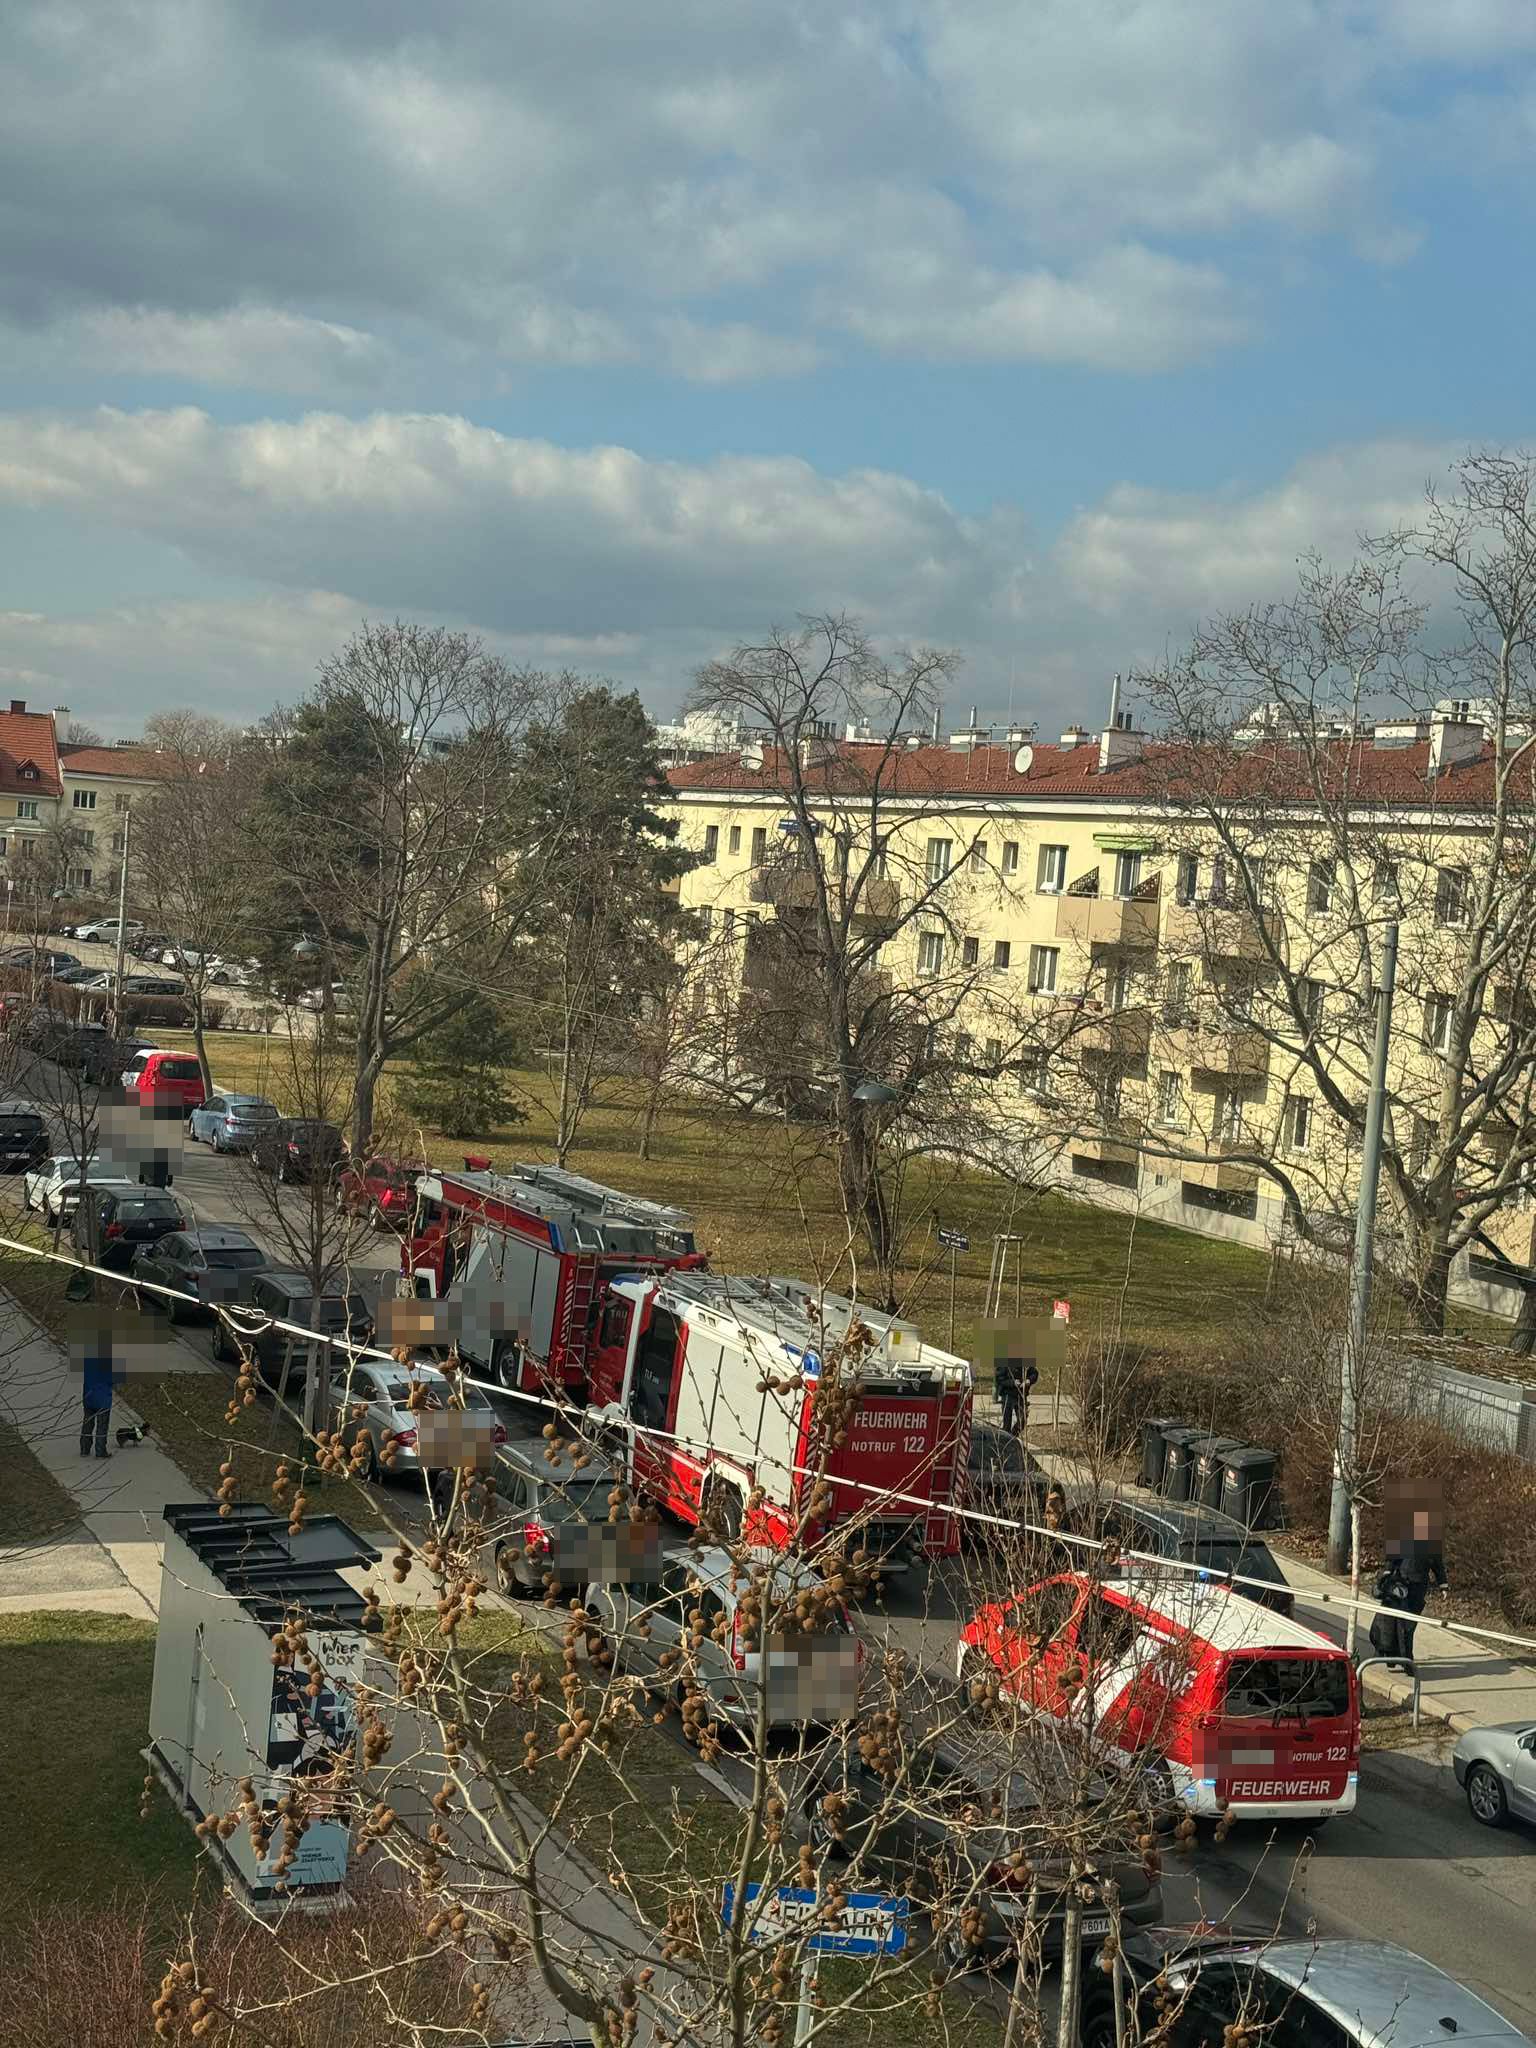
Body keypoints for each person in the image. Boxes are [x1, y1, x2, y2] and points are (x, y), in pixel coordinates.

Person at [79, 1351, 114, 1459]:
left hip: (89, 1397)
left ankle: (85, 1449)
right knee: (102, 1426)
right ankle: (100, 1451)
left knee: (87, 1423)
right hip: (103, 1399)